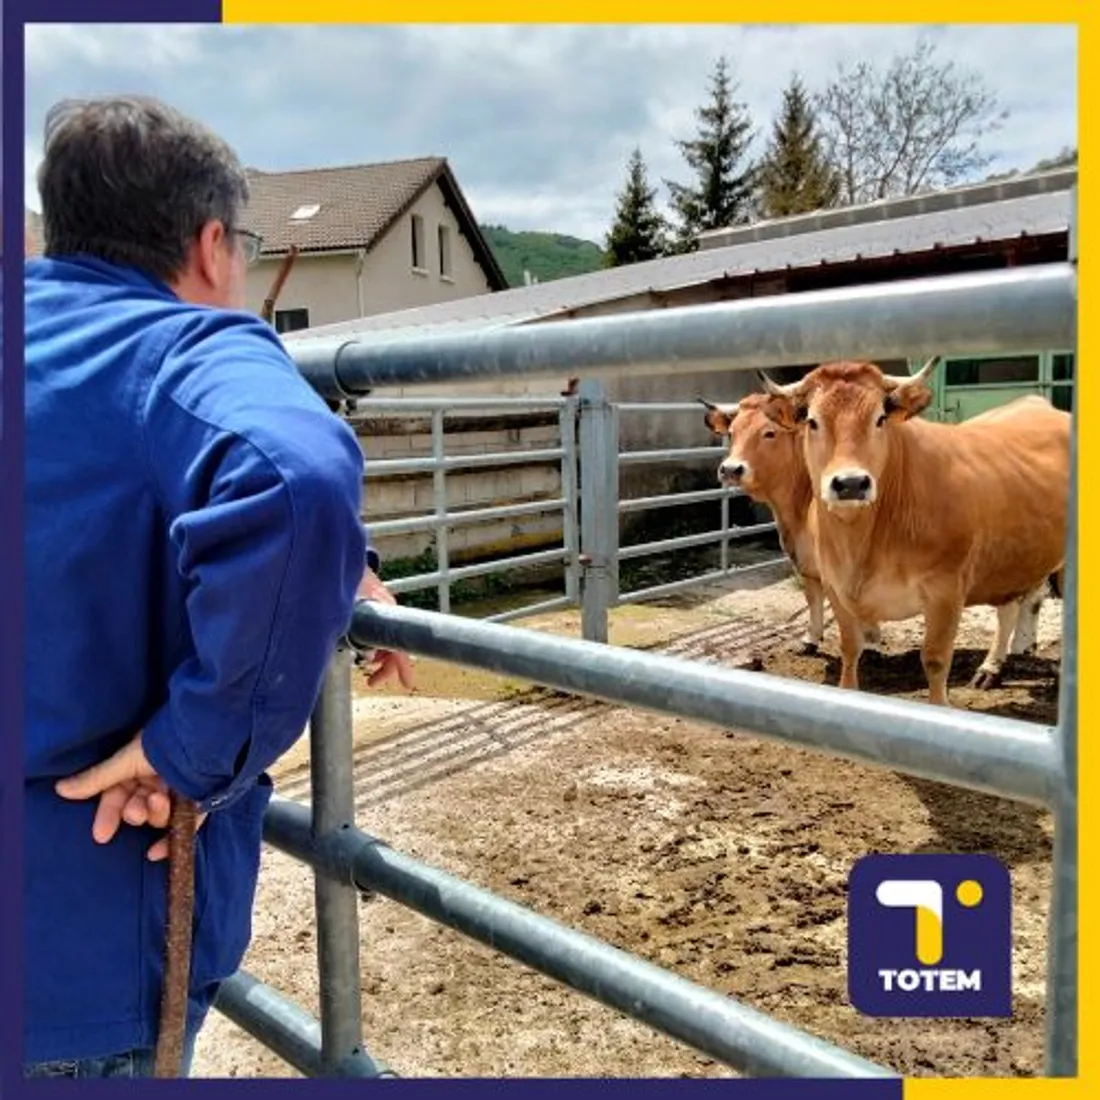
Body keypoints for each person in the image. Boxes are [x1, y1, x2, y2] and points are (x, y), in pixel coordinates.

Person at [23, 94, 413, 1078]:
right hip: (75, 972)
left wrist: (340, 566)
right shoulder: (185, 348)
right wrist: (187, 749)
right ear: (209, 245)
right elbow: (296, 482)